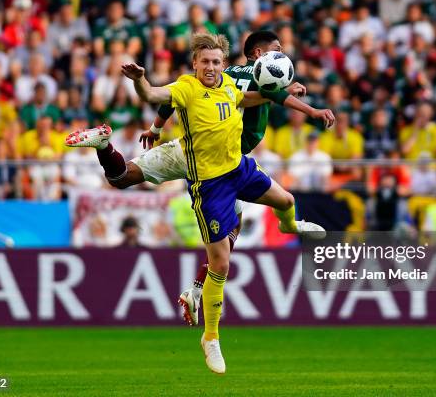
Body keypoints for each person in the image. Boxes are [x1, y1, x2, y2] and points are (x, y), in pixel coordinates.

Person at [66, 33, 327, 374]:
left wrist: (289, 95)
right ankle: (211, 337)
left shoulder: (232, 88)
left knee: (287, 200)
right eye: (205, 61)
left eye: (216, 61)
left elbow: (256, 97)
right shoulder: (188, 87)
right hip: (208, 181)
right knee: (221, 262)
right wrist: (141, 81)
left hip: (239, 168)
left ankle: (290, 226)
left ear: (223, 63)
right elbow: (155, 95)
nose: (211, 67)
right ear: (195, 64)